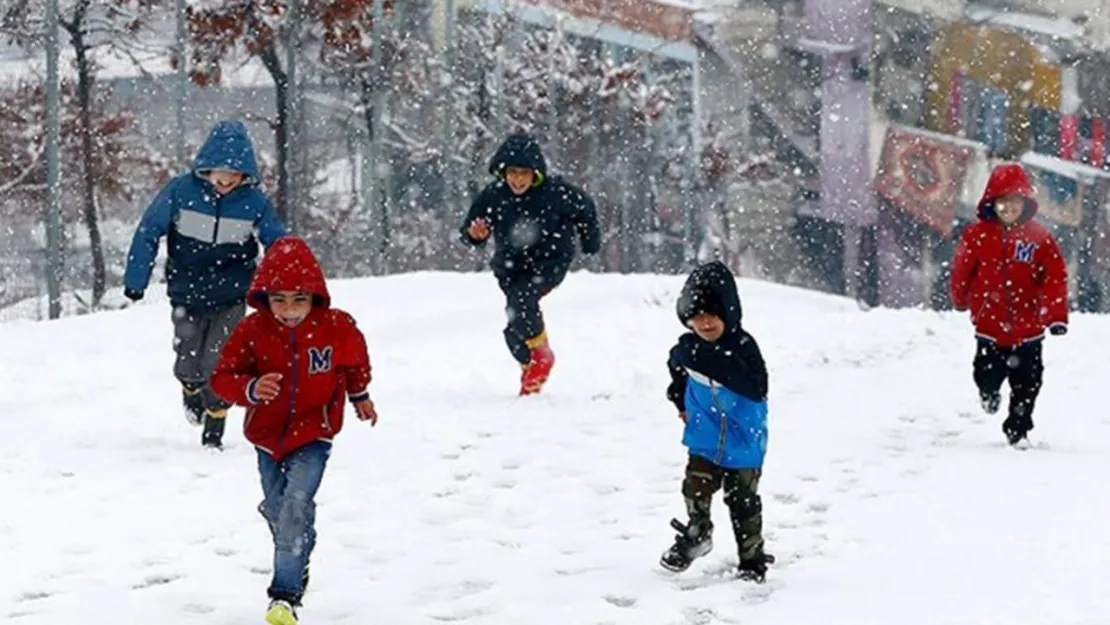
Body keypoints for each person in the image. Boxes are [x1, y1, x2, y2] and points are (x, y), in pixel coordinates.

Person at [209, 236, 378, 625]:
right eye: (279, 300)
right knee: (277, 509)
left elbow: (354, 361)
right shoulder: (252, 330)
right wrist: (249, 389)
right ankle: (298, 552)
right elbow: (222, 377)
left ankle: (284, 597)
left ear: (315, 297)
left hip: (314, 433)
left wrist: (360, 395)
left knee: (295, 506)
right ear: (264, 298)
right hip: (266, 436)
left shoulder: (336, 327)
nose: (289, 310)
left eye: (299, 300)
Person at [123, 120, 286, 449]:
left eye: (235, 175)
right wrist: (136, 279)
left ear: (246, 175)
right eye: (220, 174)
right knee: (189, 359)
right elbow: (149, 231)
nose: (226, 181)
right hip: (186, 292)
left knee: (220, 360)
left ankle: (216, 419)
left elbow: (278, 242)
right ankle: (191, 388)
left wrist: (285, 284)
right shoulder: (180, 192)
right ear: (206, 169)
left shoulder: (253, 202)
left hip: (231, 295)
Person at [459, 132, 601, 395]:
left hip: (549, 262)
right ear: (503, 172)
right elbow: (470, 228)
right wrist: (474, 235)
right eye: (512, 172)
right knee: (514, 326)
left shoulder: (555, 192)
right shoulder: (493, 195)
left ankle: (542, 357)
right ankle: (530, 364)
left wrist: (590, 241)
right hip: (511, 266)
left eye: (524, 173)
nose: (517, 179)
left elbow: (586, 209)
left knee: (523, 303)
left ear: (535, 174)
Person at [660, 261, 774, 583]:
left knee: (743, 503)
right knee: (695, 488)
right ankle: (697, 535)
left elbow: (756, 386)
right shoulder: (687, 348)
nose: (705, 324)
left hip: (743, 441)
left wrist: (711, 359)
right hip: (705, 436)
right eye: (696, 317)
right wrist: (679, 399)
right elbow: (677, 371)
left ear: (728, 313)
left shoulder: (742, 347)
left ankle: (751, 560)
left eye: (711, 315)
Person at [950, 162, 1068, 449]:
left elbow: (1054, 277)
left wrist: (1055, 315)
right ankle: (989, 393)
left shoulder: (1040, 238)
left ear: (1024, 203)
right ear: (992, 204)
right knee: (986, 373)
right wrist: (960, 297)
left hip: (1029, 330)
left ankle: (1018, 430)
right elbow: (962, 269)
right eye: (1002, 202)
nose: (1008, 208)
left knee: (1028, 384)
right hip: (990, 325)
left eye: (1014, 202)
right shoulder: (976, 235)